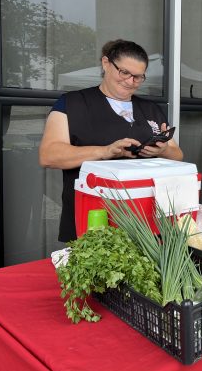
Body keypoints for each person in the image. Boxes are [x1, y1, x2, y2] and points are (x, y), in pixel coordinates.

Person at [39, 39, 184, 242]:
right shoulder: (72, 103)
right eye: (124, 72)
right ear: (106, 63)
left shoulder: (151, 109)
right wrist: (104, 151)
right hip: (94, 217)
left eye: (138, 77)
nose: (130, 81)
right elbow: (49, 155)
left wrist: (162, 151)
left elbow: (177, 154)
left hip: (148, 221)